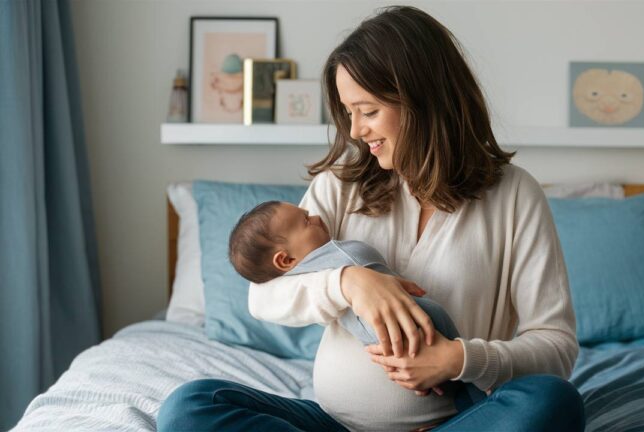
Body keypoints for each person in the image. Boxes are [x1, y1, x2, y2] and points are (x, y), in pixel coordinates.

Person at [158, 5, 585, 431]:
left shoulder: (514, 195)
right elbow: (263, 295)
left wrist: (457, 359)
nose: (356, 130)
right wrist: (348, 282)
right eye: (348, 112)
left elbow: (556, 346)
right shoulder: (339, 186)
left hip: (457, 422)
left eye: (368, 110)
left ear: (423, 100)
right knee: (190, 407)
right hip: (332, 424)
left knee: (552, 401)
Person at [227, 200, 487, 411]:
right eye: (306, 221)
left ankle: (473, 404)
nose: (317, 217)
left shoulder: (310, 257)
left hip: (432, 392)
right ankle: (476, 403)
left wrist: (441, 360)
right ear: (285, 261)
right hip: (333, 418)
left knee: (525, 397)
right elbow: (258, 298)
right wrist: (346, 281)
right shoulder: (338, 254)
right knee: (199, 400)